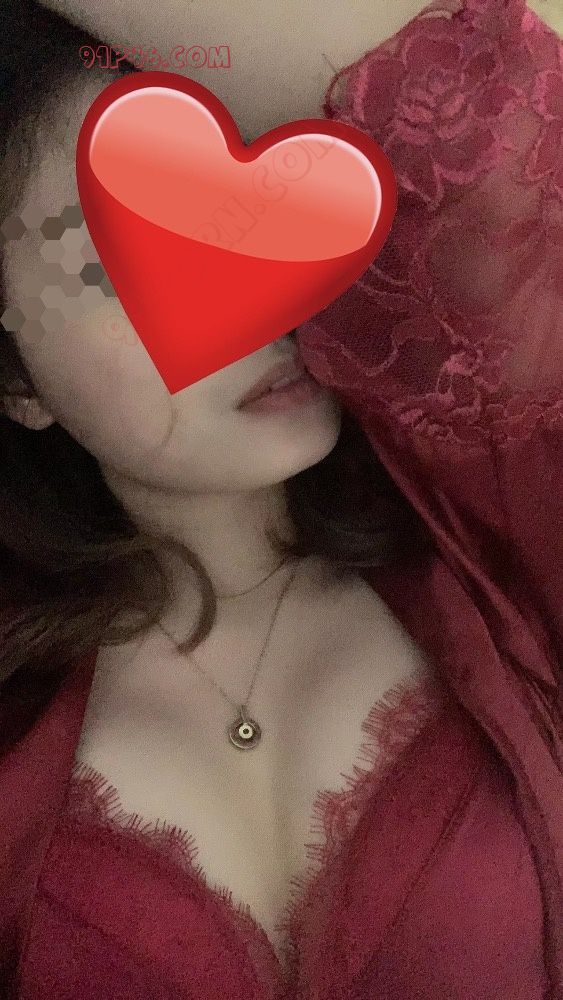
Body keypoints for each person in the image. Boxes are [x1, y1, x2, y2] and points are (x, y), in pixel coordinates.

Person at [0, 0, 561, 998]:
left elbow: (484, 115)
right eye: (115, 257)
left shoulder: (507, 536)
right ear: (17, 381)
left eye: (251, 207)